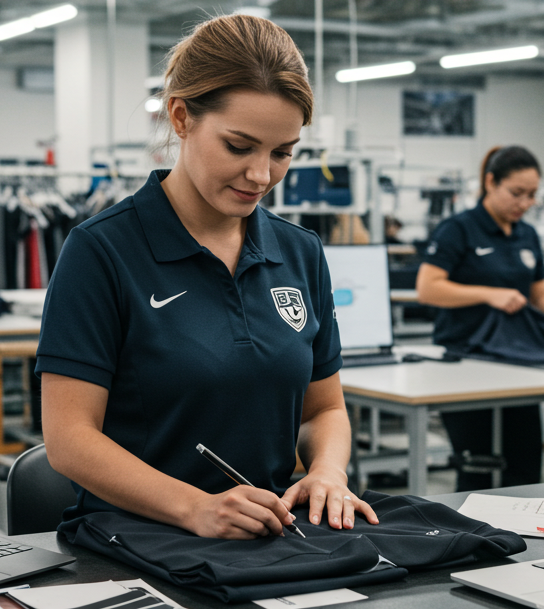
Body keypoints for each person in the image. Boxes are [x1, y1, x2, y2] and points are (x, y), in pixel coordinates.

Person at [35, 14, 377, 540]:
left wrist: (326, 471)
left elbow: (323, 409)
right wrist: (195, 508)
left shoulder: (300, 252)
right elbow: (69, 439)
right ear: (180, 117)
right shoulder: (101, 251)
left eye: (282, 153)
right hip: (140, 540)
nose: (262, 175)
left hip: (273, 537)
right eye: (239, 147)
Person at [415, 145, 544, 492]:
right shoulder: (459, 229)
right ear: (490, 182)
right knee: (477, 467)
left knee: (523, 465)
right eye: (517, 193)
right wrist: (489, 294)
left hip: (515, 361)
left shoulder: (527, 235)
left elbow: (539, 292)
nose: (525, 203)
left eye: (531, 196)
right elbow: (428, 288)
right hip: (464, 362)